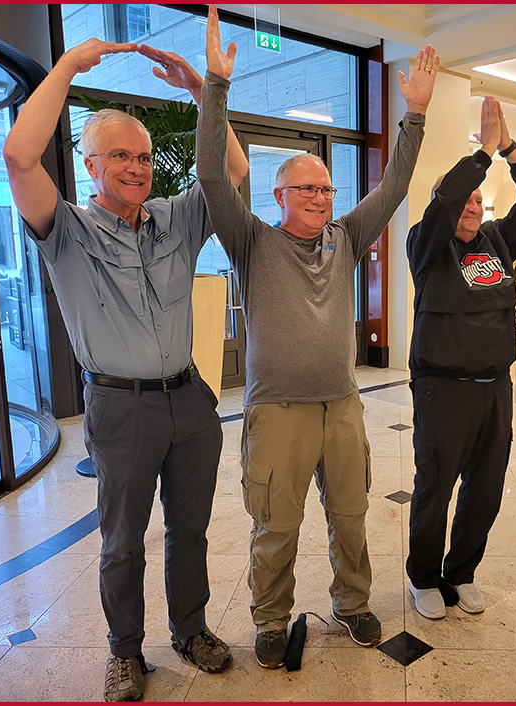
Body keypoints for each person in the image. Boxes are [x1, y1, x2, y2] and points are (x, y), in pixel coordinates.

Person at [2, 38, 249, 702]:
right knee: (122, 543)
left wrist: (205, 94)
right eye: (120, 156)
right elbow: (19, 155)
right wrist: (66, 68)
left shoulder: (175, 218)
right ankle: (124, 653)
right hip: (120, 408)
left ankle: (191, 631)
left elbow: (233, 173)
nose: (137, 167)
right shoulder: (67, 231)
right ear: (90, 165)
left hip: (190, 402)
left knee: (190, 530)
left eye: (141, 157)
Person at [195, 5, 438, 668]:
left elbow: (394, 186)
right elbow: (214, 177)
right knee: (275, 528)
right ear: (280, 193)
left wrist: (413, 115)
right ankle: (271, 619)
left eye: (327, 187)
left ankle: (353, 603)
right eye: (308, 187)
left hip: (343, 406)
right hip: (277, 412)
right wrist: (215, 88)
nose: (322, 196)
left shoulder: (346, 240)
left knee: (353, 522)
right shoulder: (250, 242)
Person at [405, 97, 516, 619]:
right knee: (435, 488)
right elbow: (445, 198)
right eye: (463, 202)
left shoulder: (496, 240)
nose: (471, 207)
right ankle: (423, 578)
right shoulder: (424, 245)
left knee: (486, 488)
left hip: (495, 387)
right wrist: (481, 154)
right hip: (442, 388)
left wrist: (511, 151)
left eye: (477, 202)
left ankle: (460, 572)